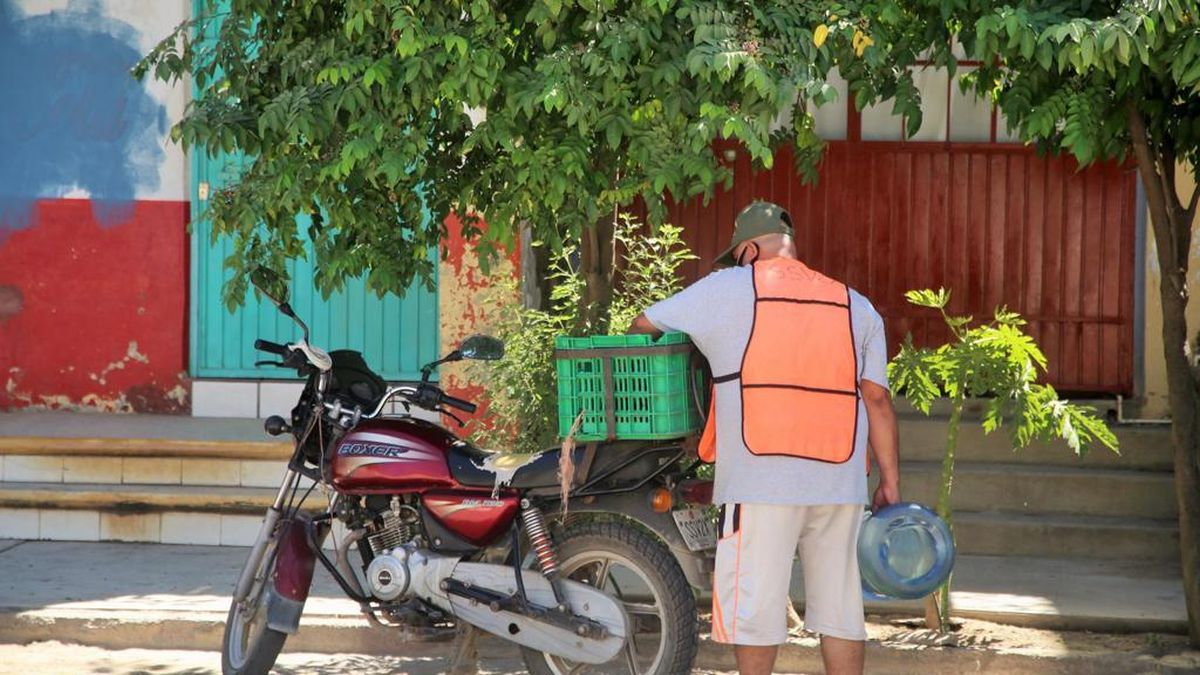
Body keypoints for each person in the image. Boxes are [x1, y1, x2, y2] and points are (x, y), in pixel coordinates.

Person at [628, 201, 901, 675]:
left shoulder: (726, 288)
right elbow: (876, 399)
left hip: (759, 483)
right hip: (839, 484)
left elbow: (641, 327)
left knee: (753, 614)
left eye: (738, 255)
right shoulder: (855, 305)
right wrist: (890, 481)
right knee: (841, 611)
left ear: (750, 249)